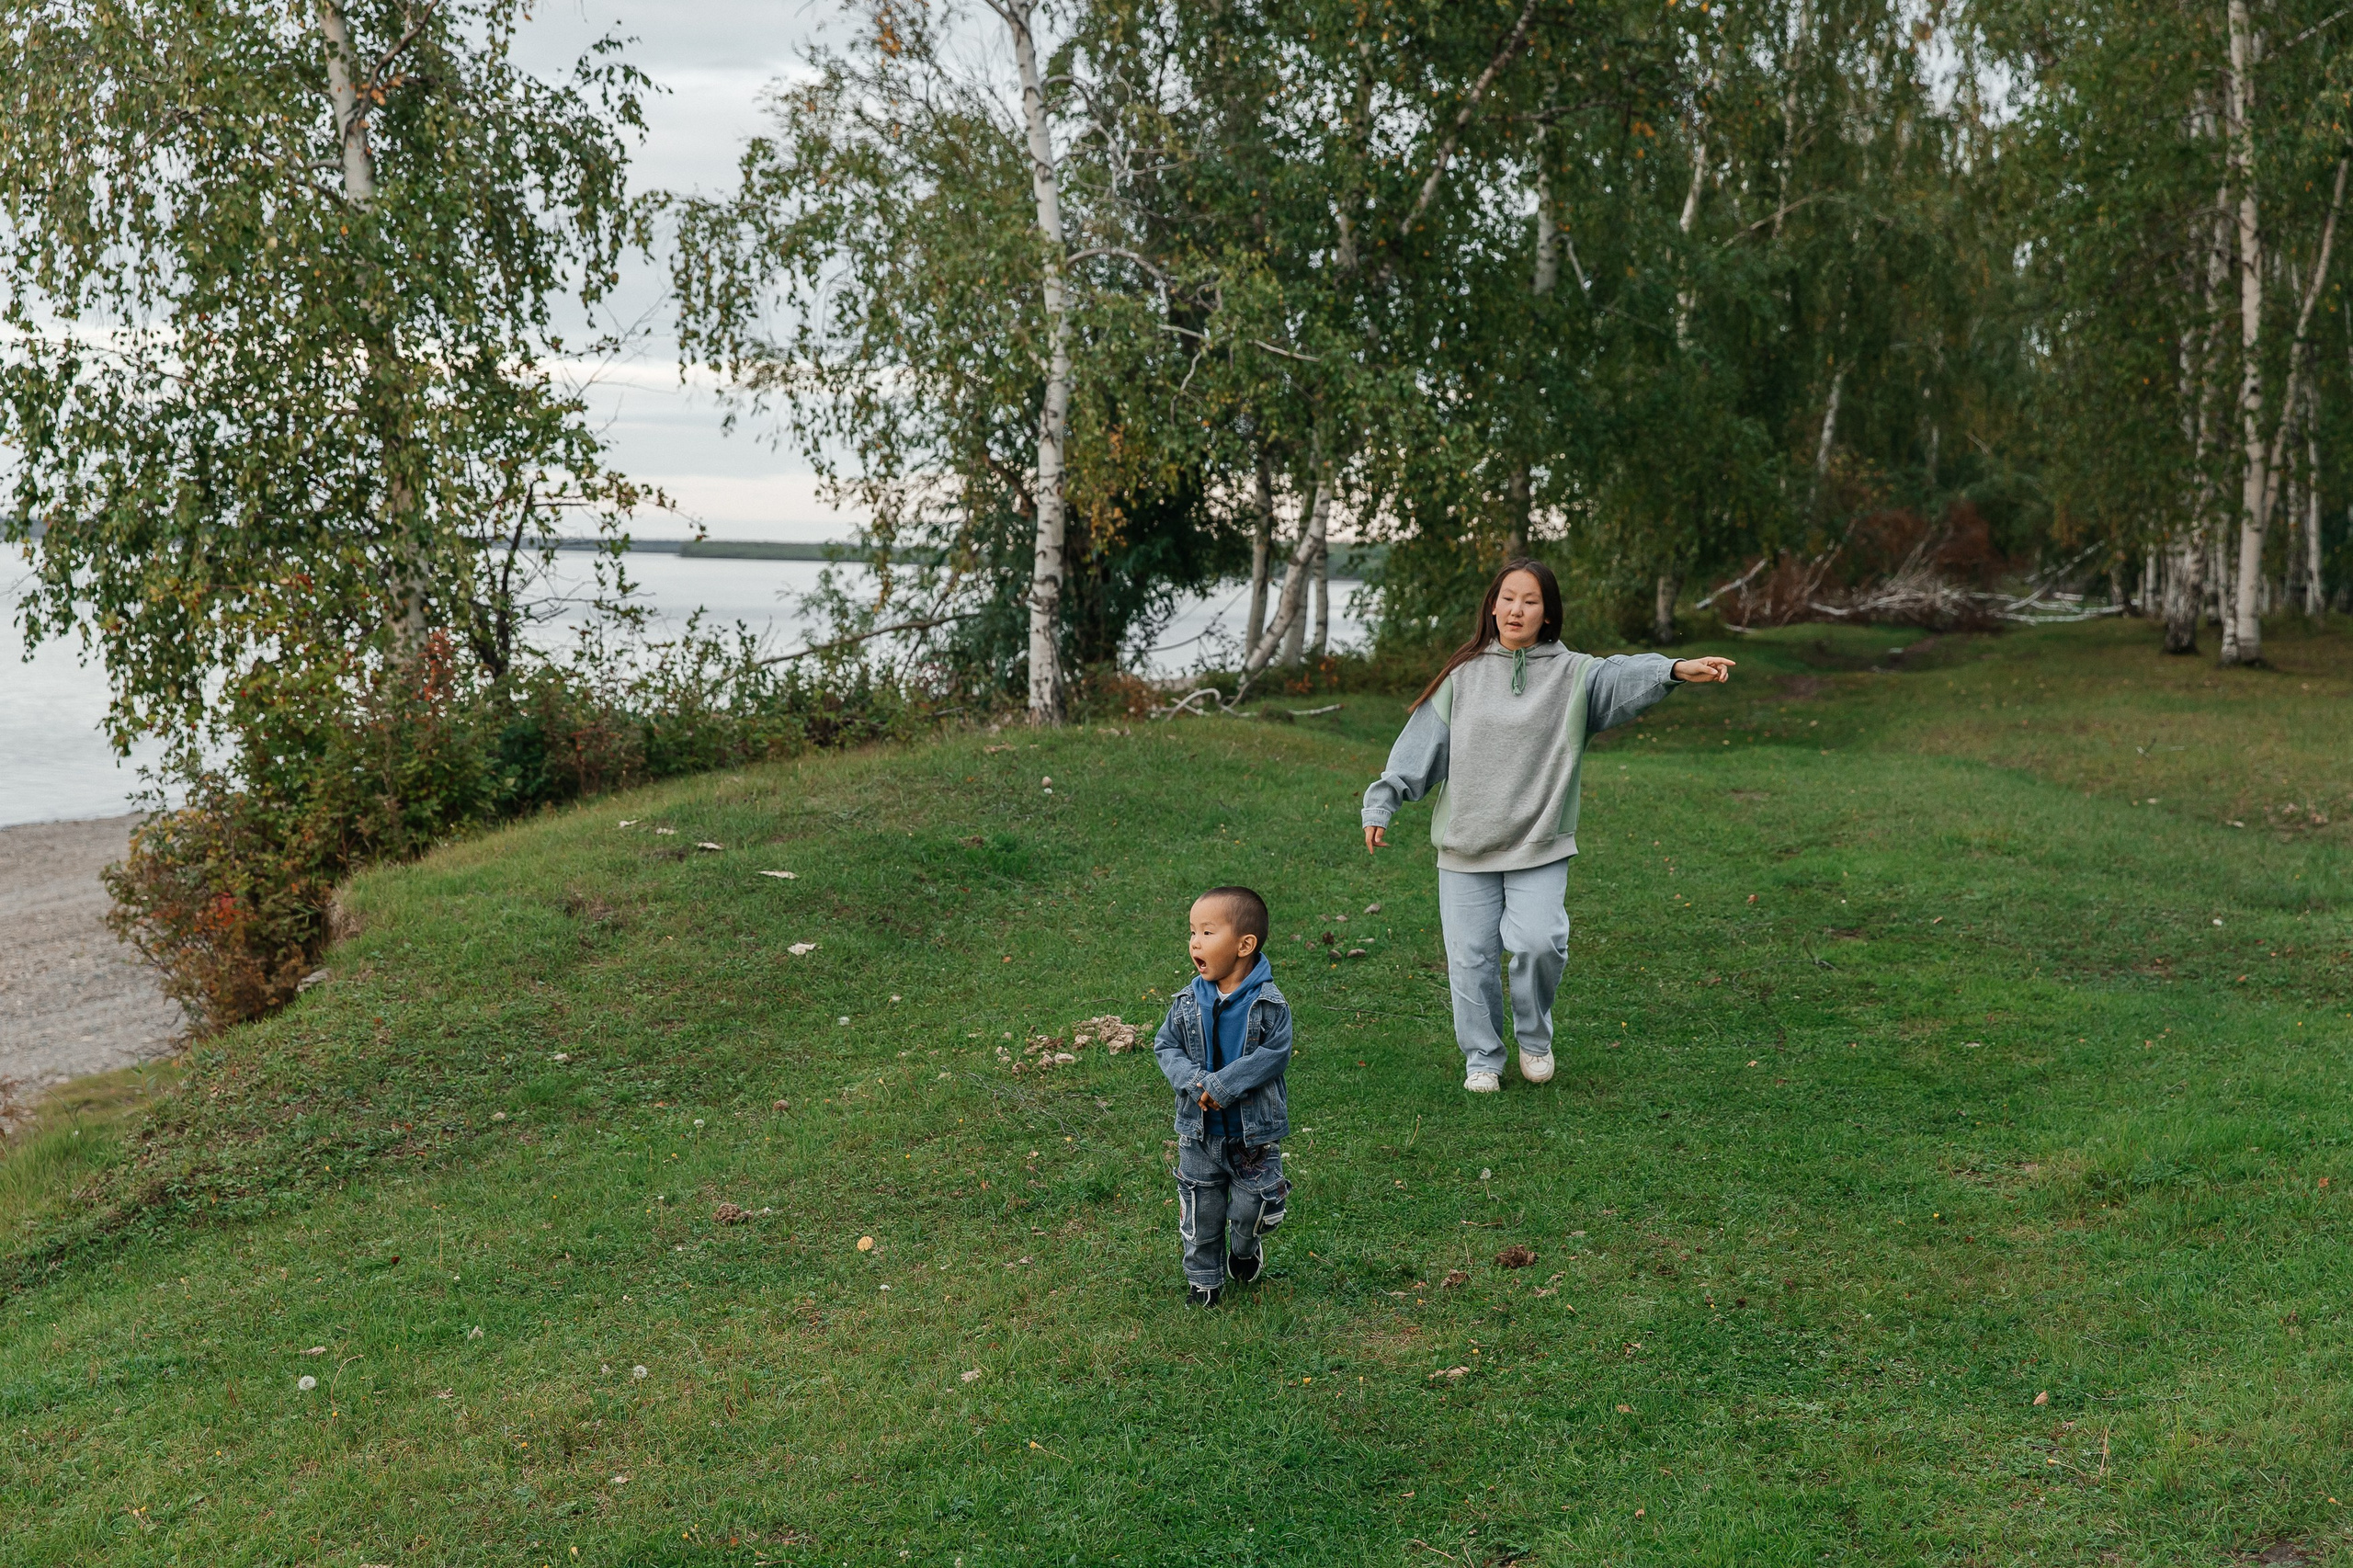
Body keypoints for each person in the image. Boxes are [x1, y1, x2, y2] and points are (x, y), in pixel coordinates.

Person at [1359, 559, 1734, 1093]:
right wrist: (1384, 801)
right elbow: (1420, 744)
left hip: (1539, 841)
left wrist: (1673, 669)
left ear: (1547, 614)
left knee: (1540, 943)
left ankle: (1534, 1038)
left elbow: (1622, 672)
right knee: (1470, 961)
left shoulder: (1573, 675)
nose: (1517, 609)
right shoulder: (1462, 675)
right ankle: (1483, 1059)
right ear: (1492, 605)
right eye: (1508, 598)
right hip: (1466, 845)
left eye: (1530, 600)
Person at [1152, 885, 1292, 1307]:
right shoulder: (1186, 1002)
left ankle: (1245, 1246)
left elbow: (1275, 1054)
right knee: (1201, 1210)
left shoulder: (1269, 1005)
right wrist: (1196, 1083)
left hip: (1253, 1135)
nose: (1195, 941)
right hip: (1199, 1133)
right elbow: (1166, 1046)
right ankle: (1203, 1282)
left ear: (1244, 945)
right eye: (1192, 932)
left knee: (1251, 1208)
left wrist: (1223, 1085)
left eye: (1207, 932)